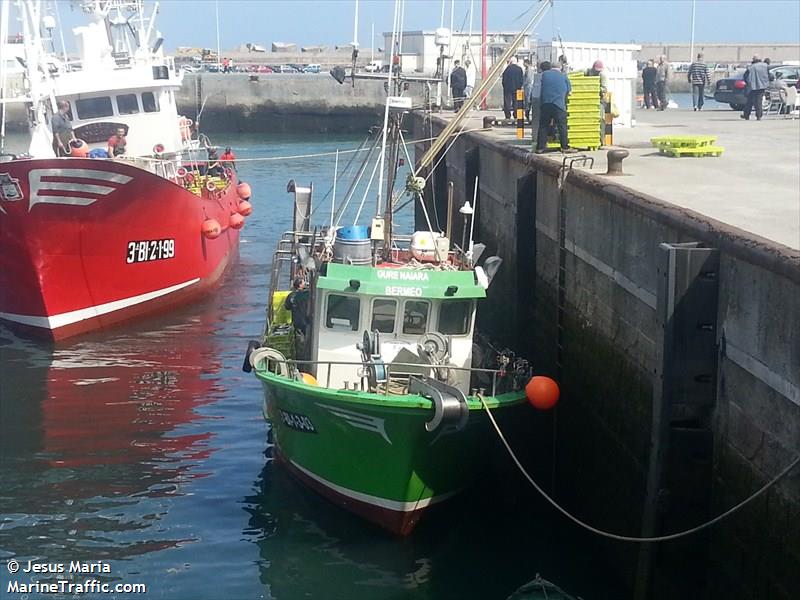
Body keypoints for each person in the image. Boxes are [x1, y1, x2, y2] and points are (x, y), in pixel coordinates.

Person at [535, 61, 574, 154]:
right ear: (560, 68)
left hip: (545, 104)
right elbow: (570, 92)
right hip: (559, 104)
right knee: (562, 126)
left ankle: (540, 148)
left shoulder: (544, 75)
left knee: (543, 126)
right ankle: (565, 147)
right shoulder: (564, 76)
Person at [741, 55, 770, 120]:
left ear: (753, 60)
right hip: (762, 86)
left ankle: (746, 115)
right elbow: (769, 75)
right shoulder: (765, 66)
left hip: (752, 86)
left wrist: (748, 83)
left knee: (749, 101)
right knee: (759, 101)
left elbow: (745, 76)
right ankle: (759, 116)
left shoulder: (751, 67)